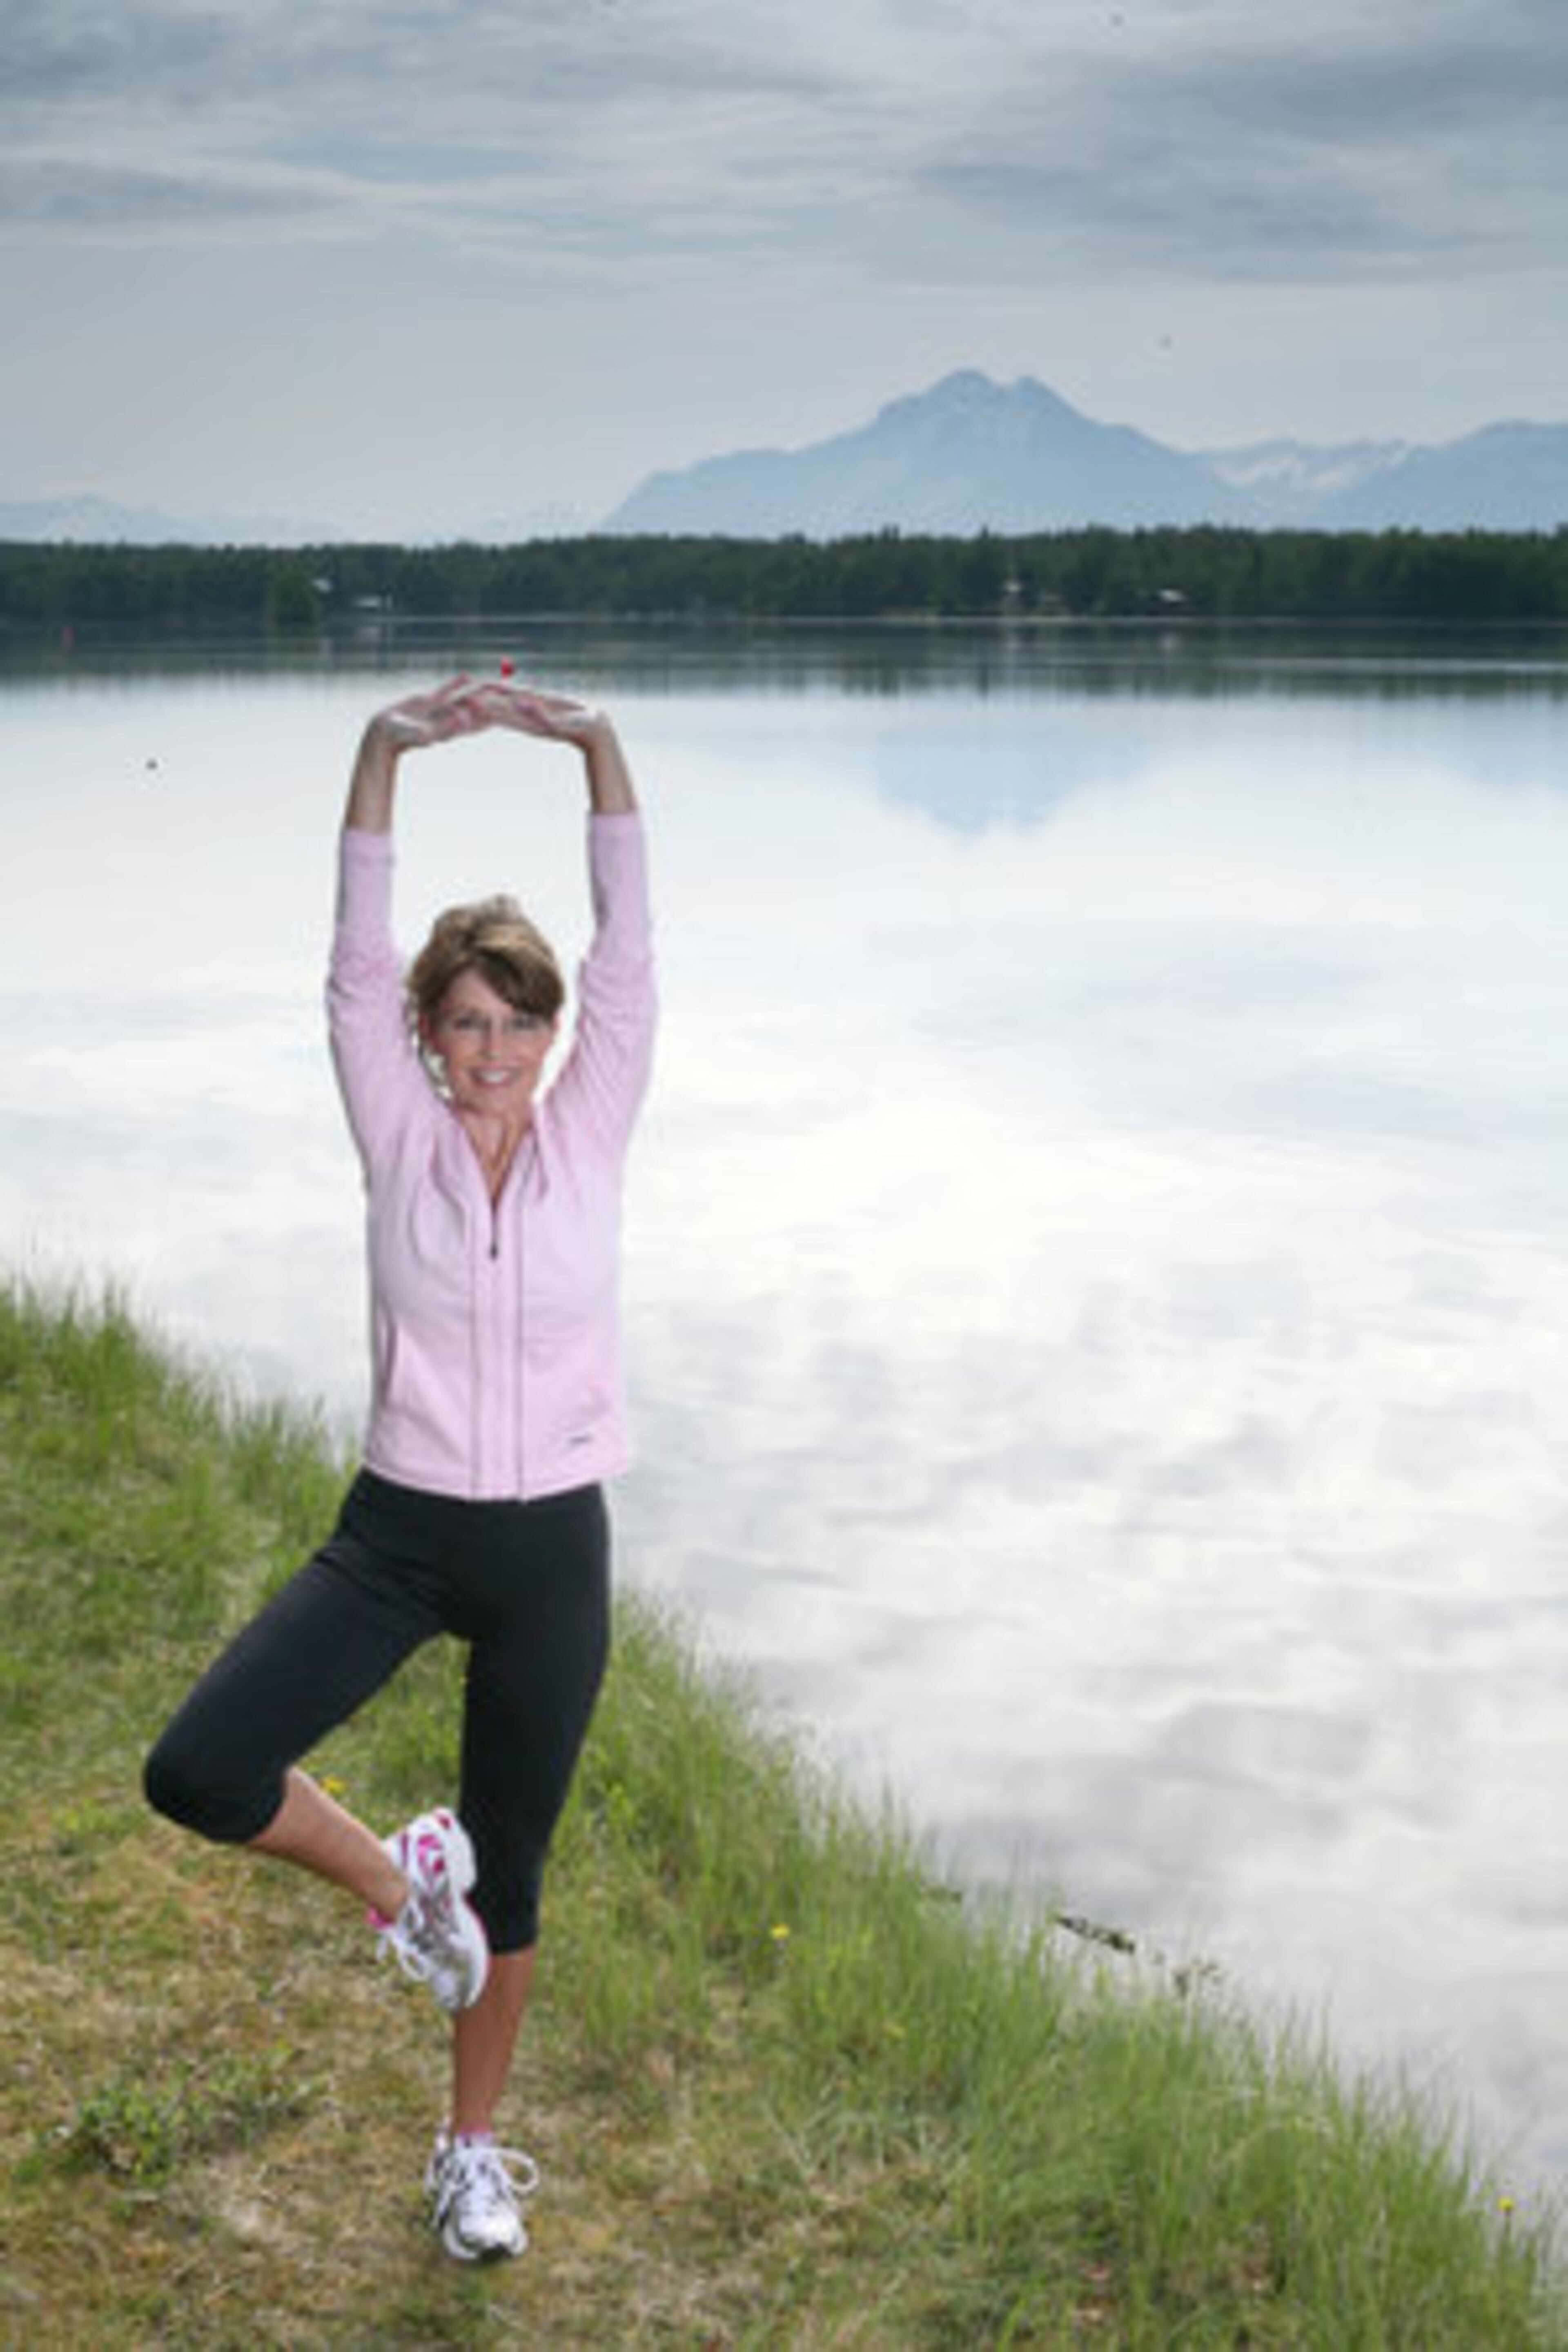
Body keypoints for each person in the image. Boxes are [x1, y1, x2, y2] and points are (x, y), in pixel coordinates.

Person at [144, 675, 655, 2261]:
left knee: (519, 1877)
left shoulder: (593, 1127)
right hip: (402, 1533)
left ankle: (472, 2154)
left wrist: (597, 750)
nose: (496, 1050)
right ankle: (399, 1886)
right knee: (200, 1770)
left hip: (551, 1548)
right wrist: (382, 756)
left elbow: (633, 951)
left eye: (521, 1021)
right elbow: (355, 959)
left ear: (554, 1035)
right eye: (468, 1022)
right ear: (427, 1037)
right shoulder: (396, 1128)